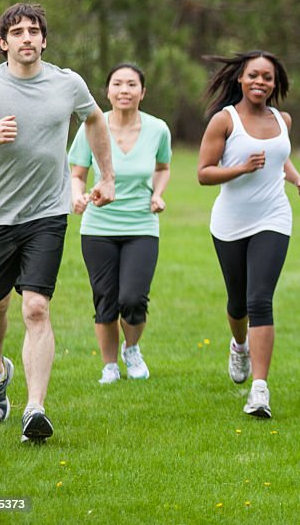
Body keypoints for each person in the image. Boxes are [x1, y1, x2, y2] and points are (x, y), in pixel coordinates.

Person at [0, 2, 115, 443]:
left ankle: (34, 409)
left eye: (34, 31)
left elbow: (95, 118)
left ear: (44, 39)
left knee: (37, 307)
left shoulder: (68, 84)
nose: (27, 38)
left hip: (48, 213)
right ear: (3, 42)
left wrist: (108, 176)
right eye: (17, 32)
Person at [197, 51, 300, 419]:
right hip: (230, 221)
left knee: (260, 299)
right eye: (254, 76)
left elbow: (280, 156)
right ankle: (239, 343)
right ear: (240, 80)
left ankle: (260, 390)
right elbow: (203, 173)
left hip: (273, 217)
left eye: (267, 77)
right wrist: (241, 169)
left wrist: (296, 179)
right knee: (238, 303)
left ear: (275, 84)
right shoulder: (224, 120)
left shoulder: (283, 119)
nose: (260, 82)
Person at [69, 62, 172, 384]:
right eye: (117, 84)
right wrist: (78, 195)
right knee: (105, 298)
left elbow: (163, 167)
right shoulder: (91, 126)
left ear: (143, 92)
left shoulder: (158, 129)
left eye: (131, 84)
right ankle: (110, 365)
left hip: (142, 226)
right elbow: (77, 173)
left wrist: (158, 193)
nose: (124, 90)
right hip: (98, 227)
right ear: (107, 91)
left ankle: (132, 349)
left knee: (133, 299)